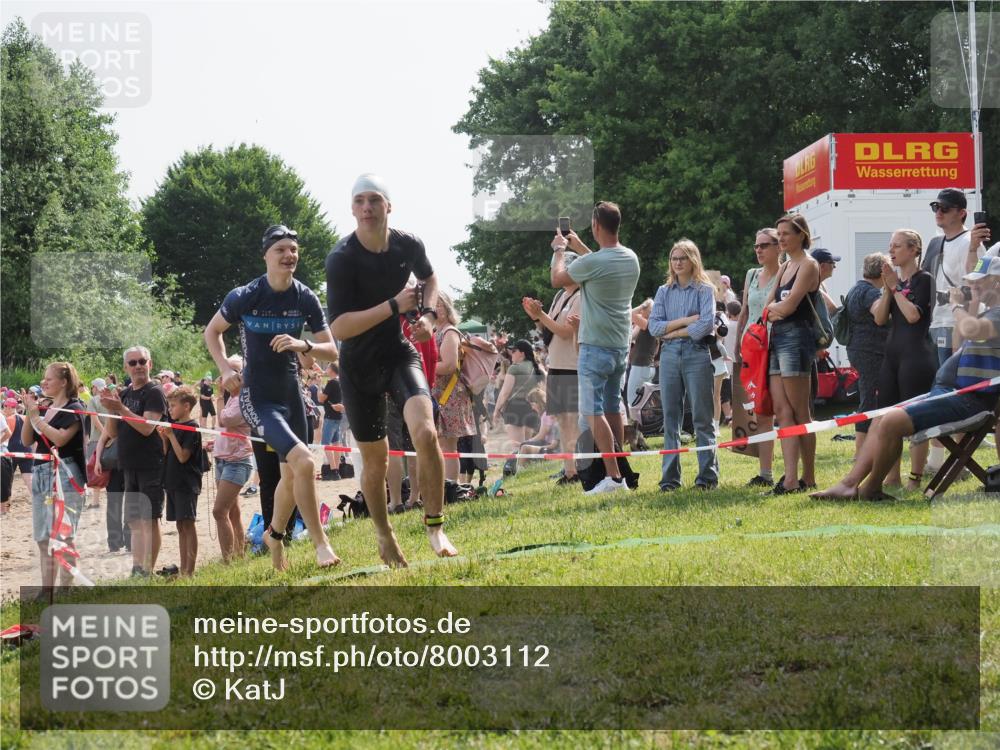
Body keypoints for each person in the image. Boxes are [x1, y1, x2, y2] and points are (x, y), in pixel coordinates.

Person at [325, 174, 457, 563]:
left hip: (399, 353)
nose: (367, 207)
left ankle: (436, 526)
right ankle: (385, 535)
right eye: (360, 201)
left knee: (426, 432)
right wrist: (394, 306)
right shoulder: (342, 258)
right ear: (352, 209)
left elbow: (429, 277)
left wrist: (430, 317)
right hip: (358, 366)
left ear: (388, 207)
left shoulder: (407, 243)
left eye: (374, 200)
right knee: (377, 460)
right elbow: (339, 327)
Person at [205, 224, 340, 572]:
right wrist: (224, 367)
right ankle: (321, 543)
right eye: (280, 249)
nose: (288, 255)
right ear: (265, 254)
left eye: (293, 249)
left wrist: (302, 344)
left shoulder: (304, 297)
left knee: (291, 476)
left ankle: (274, 537)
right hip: (258, 397)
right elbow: (213, 331)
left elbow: (332, 352)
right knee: (306, 462)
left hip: (291, 394)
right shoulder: (245, 295)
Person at [814, 255, 1000, 500]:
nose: (973, 286)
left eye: (980, 281)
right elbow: (960, 342)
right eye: (972, 282)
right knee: (881, 418)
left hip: (970, 401)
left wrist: (956, 306)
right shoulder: (989, 312)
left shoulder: (997, 315)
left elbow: (970, 330)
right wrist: (969, 306)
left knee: (891, 421)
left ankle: (871, 489)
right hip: (951, 392)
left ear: (997, 282)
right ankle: (850, 484)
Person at [550, 201, 641, 495]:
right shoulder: (630, 258)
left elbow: (557, 279)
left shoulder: (592, 263)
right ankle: (621, 472)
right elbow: (602, 262)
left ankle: (612, 477)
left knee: (591, 411)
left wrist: (560, 250)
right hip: (619, 346)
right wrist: (580, 245)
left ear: (595, 226)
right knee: (613, 408)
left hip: (594, 346)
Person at [647, 239, 718, 490]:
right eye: (674, 258)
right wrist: (686, 321)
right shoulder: (663, 291)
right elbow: (653, 327)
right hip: (668, 356)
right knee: (670, 418)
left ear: (693, 260)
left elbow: (705, 326)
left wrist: (673, 331)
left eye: (682, 258)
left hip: (696, 354)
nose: (677, 263)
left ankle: (707, 478)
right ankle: (669, 480)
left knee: (702, 417)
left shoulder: (704, 290)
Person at [873, 229, 937, 491]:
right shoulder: (894, 282)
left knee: (914, 417)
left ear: (913, 250)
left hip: (916, 355)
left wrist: (897, 288)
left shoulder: (924, 279)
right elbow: (879, 319)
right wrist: (889, 288)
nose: (892, 251)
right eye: (890, 246)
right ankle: (892, 476)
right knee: (886, 418)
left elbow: (913, 316)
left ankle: (915, 478)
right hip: (892, 355)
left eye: (897, 246)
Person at [763, 214, 820, 494]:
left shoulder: (809, 265)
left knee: (800, 412)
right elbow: (770, 303)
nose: (781, 239)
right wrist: (773, 311)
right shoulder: (785, 266)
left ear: (801, 235)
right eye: (779, 234)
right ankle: (789, 478)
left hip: (797, 338)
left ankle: (808, 477)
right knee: (782, 412)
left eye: (786, 233)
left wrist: (773, 312)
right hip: (777, 339)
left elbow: (787, 306)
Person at [100, 346, 168, 576]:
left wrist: (120, 408)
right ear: (125, 367)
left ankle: (148, 569)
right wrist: (111, 409)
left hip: (151, 464)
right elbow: (114, 431)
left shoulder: (154, 392)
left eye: (142, 361)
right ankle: (137, 568)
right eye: (133, 362)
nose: (138, 366)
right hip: (128, 465)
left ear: (150, 364)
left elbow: (147, 428)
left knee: (149, 520)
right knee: (134, 521)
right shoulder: (126, 393)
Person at [22, 362, 87, 591]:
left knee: (64, 535)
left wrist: (37, 419)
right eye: (43, 379)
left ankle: (67, 590)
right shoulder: (44, 407)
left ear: (64, 382)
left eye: (48, 379)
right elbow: (27, 441)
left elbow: (60, 439)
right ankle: (46, 590)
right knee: (43, 537)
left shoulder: (75, 407)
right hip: (41, 471)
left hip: (65, 474)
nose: (44, 383)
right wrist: (29, 414)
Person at [523, 256, 583, 484]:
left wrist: (541, 316)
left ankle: (576, 468)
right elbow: (549, 331)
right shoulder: (561, 295)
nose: (553, 272)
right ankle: (569, 470)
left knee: (571, 420)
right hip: (556, 364)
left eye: (557, 268)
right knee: (561, 421)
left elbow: (567, 331)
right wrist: (536, 319)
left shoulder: (581, 295)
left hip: (571, 365)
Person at [735, 228, 782, 487]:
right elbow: (744, 311)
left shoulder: (787, 272)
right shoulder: (752, 274)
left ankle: (791, 471)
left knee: (782, 412)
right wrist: (737, 345)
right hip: (751, 349)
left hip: (775, 348)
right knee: (761, 412)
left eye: (765, 245)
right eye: (756, 246)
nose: (759, 250)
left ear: (779, 247)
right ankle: (765, 474)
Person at [843, 253, 890, 456]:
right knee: (869, 400)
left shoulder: (855, 289)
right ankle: (861, 452)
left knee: (867, 396)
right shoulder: (871, 293)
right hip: (870, 350)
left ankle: (864, 448)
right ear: (882, 272)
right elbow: (880, 316)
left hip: (857, 349)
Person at [208, 355, 254, 562]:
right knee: (232, 512)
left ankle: (227, 562)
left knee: (219, 511)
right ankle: (239, 554)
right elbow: (224, 430)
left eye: (235, 370)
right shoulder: (233, 399)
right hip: (222, 460)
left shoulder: (244, 400)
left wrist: (218, 397)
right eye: (226, 370)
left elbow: (224, 420)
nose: (228, 375)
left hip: (237, 462)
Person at [158, 386, 203, 577]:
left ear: (186, 406)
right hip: (173, 481)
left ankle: (190, 571)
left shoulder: (192, 427)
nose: (170, 409)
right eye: (169, 406)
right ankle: (184, 568)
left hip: (186, 482)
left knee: (188, 523)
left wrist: (170, 436)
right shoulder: (174, 426)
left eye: (173, 405)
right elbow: (167, 453)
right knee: (180, 525)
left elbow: (184, 456)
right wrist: (165, 438)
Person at [432, 292, 476, 483]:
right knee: (442, 445)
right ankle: (447, 484)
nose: (435, 308)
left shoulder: (449, 332)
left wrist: (421, 366)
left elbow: (449, 366)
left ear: (447, 307)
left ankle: (451, 486)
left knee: (448, 446)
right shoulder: (437, 331)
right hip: (440, 394)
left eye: (439, 304)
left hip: (449, 395)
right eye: (433, 304)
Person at [492, 340, 544, 455]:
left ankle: (519, 471)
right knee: (527, 446)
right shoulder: (537, 368)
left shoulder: (514, 368)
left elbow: (505, 393)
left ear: (522, 353)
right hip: (532, 407)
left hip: (515, 407)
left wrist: (496, 410)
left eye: (514, 351)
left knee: (518, 448)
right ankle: (528, 471)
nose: (512, 353)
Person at [84, 378, 109, 510]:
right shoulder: (110, 399)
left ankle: (95, 501)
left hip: (97, 438)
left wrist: (104, 433)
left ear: (95, 387)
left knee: (95, 469)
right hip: (111, 438)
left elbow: (95, 418)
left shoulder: (93, 400)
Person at [318, 363, 345, 480]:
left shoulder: (332, 382)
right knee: (336, 444)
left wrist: (319, 386)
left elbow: (320, 398)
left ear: (332, 370)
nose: (326, 369)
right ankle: (337, 470)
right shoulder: (340, 381)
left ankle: (333, 470)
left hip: (330, 416)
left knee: (325, 443)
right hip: (338, 416)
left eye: (328, 367)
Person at [3, 396, 34, 497]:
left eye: (4, 407)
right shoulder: (25, 417)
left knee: (7, 480)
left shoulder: (8, 419)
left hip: (12, 451)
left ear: (8, 407)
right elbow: (32, 436)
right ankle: (37, 500)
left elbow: (8, 436)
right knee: (29, 479)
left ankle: (6, 505)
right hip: (27, 450)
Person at [811, 248, 842, 314]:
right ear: (822, 266)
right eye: (832, 263)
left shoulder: (821, 283)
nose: (834, 266)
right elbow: (832, 308)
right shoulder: (811, 284)